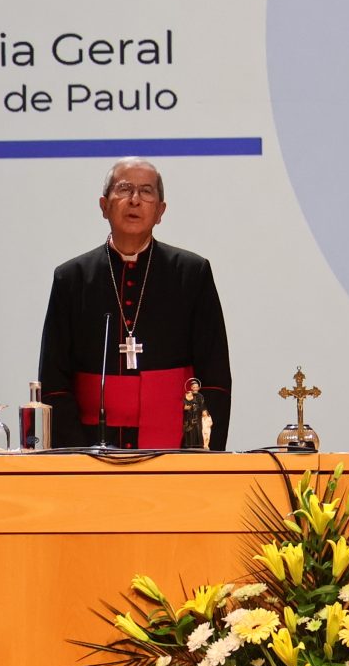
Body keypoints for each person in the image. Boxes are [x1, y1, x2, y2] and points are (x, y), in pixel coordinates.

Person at [37, 159, 232, 449]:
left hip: (175, 448)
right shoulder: (72, 278)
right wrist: (76, 455)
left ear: (161, 211)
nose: (135, 200)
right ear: (104, 206)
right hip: (91, 446)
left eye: (146, 191)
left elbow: (214, 378)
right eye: (125, 189)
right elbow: (54, 382)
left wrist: (200, 453)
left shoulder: (191, 274)